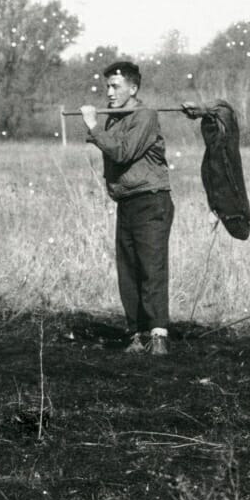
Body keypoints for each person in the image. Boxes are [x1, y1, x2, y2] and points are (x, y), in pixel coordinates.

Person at [78, 60, 174, 357]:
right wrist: (100, 130)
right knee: (128, 270)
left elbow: (121, 151)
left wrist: (93, 127)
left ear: (133, 88)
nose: (108, 92)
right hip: (127, 202)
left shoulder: (145, 115)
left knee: (151, 268)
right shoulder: (114, 119)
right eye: (106, 86)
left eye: (115, 86)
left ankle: (158, 336)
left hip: (151, 200)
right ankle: (136, 334)